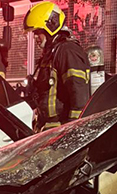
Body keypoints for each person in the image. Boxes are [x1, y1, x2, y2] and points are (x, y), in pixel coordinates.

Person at [23, 1, 90, 132]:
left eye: (38, 32)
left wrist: (72, 130)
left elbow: (79, 95)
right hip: (48, 129)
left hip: (59, 129)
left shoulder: (67, 51)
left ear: (50, 26)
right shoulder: (51, 53)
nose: (36, 37)